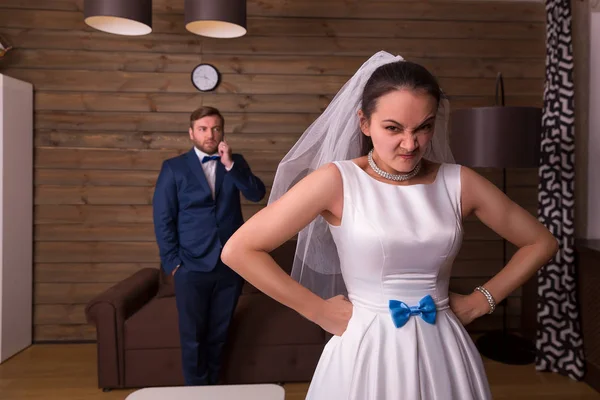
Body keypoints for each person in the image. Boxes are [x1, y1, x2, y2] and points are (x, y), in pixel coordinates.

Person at [221, 51, 559, 399]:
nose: (410, 144)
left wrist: (480, 301)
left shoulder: (460, 182)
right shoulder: (336, 181)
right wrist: (318, 310)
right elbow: (239, 250)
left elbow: (541, 242)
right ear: (364, 123)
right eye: (393, 128)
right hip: (366, 346)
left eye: (423, 128)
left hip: (443, 346)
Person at [152, 106, 266, 386]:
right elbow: (163, 218)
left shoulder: (235, 162)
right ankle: (196, 393)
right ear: (191, 132)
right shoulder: (174, 167)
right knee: (193, 338)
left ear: (222, 132)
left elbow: (256, 193)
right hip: (190, 266)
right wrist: (173, 264)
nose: (210, 134)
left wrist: (230, 166)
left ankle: (214, 391)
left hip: (229, 264)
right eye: (203, 129)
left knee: (219, 334)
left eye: (215, 128)